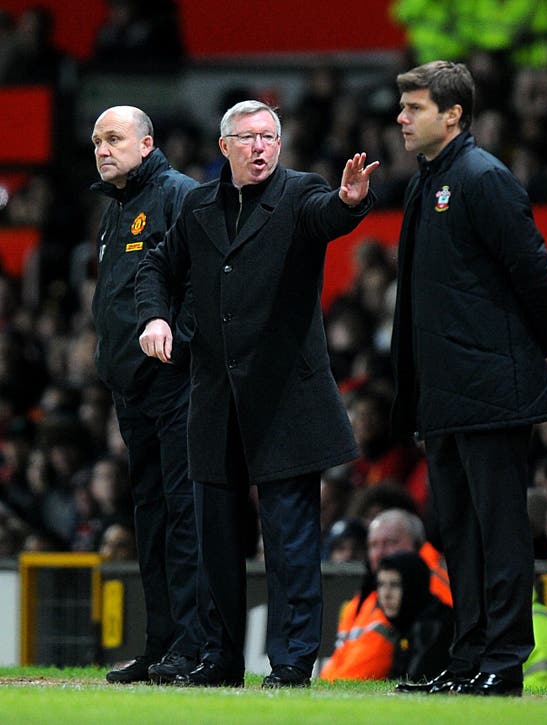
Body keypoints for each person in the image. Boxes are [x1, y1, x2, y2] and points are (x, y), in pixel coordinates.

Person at [135, 100, 379, 688]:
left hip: (284, 403)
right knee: (215, 541)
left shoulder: (300, 194)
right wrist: (155, 318)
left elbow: (329, 216)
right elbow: (156, 270)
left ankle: (293, 664)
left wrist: (350, 202)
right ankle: (218, 660)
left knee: (291, 542)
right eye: (248, 138)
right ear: (225, 148)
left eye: (269, 136)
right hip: (215, 399)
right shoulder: (197, 206)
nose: (261, 147)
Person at [391, 61, 547, 697]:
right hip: (444, 391)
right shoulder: (427, 182)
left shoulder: (484, 178)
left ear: (453, 115)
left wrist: (539, 343)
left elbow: (538, 275)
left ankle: (505, 660)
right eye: (402, 106)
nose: (401, 118)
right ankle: (467, 660)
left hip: (490, 387)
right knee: (459, 533)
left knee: (499, 530)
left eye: (414, 108)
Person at [90, 105, 204, 684]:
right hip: (132, 391)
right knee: (152, 519)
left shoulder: (177, 194)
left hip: (173, 384)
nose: (103, 150)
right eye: (96, 142)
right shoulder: (115, 210)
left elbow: (201, 282)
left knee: (184, 517)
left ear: (147, 142)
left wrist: (178, 349)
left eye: (114, 139)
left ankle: (192, 645)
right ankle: (162, 644)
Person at [319, 508, 451, 681]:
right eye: (373, 545)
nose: (380, 553)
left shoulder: (433, 585)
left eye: (390, 542)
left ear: (417, 543)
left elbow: (365, 667)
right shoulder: (365, 596)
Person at [378, 551, 453, 683]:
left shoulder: (431, 625)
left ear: (414, 585)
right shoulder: (407, 622)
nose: (386, 594)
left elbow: (414, 682)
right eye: (381, 585)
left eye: (395, 585)